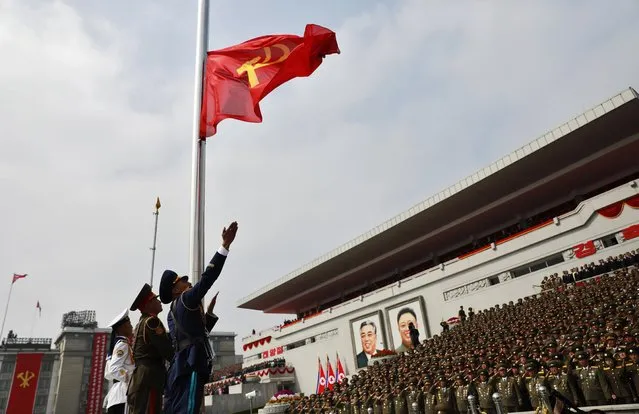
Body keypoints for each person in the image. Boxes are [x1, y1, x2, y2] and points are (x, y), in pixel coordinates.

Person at [161, 221, 238, 413]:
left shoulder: (171, 313)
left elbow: (191, 335)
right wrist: (225, 247)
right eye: (181, 282)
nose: (187, 283)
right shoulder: (186, 298)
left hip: (179, 368)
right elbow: (207, 278)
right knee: (189, 410)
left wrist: (208, 315)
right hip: (191, 363)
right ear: (174, 290)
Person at [127, 283, 174, 414]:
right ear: (148, 305)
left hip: (141, 375)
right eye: (155, 299)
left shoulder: (140, 323)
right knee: (151, 409)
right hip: (150, 376)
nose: (159, 302)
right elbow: (166, 350)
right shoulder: (152, 322)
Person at [104, 308, 134, 414]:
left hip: (117, 396)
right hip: (123, 396)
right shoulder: (122, 344)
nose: (131, 326)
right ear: (122, 327)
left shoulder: (118, 345)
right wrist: (131, 378)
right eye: (129, 323)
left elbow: (108, 374)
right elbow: (114, 369)